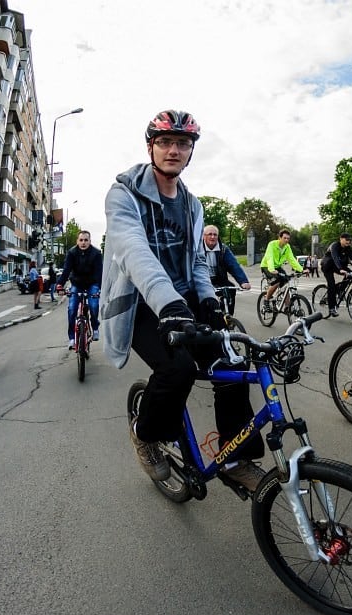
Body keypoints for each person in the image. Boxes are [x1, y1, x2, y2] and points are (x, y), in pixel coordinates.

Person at [101, 108, 265, 491]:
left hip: (183, 302)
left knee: (233, 364)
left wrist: (206, 298)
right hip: (143, 303)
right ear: (150, 147)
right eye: (165, 142)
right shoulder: (123, 193)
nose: (174, 150)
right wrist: (169, 304)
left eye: (183, 143)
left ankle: (234, 457)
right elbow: (133, 250)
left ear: (191, 151)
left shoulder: (193, 205)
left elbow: (194, 260)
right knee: (178, 370)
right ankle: (145, 435)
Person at [57, 230, 104, 349]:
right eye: (81, 240)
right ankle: (72, 338)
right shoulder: (72, 253)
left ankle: (95, 327)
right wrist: (60, 285)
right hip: (77, 284)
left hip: (92, 283)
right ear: (77, 241)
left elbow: (99, 273)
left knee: (94, 305)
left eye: (86, 240)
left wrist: (100, 288)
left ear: (90, 241)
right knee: (72, 308)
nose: (83, 242)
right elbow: (66, 270)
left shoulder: (97, 254)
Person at [203, 223, 250, 315]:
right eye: (210, 234)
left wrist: (243, 281)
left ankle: (228, 318)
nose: (212, 237)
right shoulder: (198, 248)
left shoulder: (223, 249)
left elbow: (233, 265)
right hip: (203, 279)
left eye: (215, 234)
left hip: (219, 279)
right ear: (203, 236)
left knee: (231, 289)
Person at [260, 229, 306, 309]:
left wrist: (301, 270)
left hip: (277, 267)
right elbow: (269, 257)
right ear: (279, 238)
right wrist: (271, 269)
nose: (286, 240)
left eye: (288, 238)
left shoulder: (287, 247)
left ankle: (287, 307)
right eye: (284, 238)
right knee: (276, 281)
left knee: (285, 283)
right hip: (267, 266)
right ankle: (266, 300)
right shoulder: (272, 244)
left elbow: (292, 259)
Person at [321, 232, 352, 317]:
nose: (348, 242)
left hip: (339, 266)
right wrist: (341, 269)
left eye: (349, 240)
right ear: (341, 239)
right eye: (346, 240)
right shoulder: (334, 246)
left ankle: (340, 290)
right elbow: (335, 257)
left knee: (350, 275)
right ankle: (332, 308)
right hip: (328, 266)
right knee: (331, 285)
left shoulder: (348, 248)